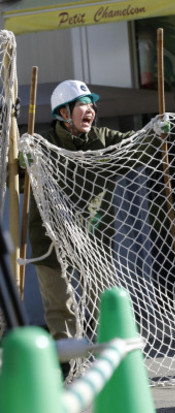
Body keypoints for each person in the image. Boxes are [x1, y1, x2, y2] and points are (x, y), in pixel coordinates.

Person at [28, 80, 135, 374]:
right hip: (49, 238)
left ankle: (109, 362)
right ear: (63, 112)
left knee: (104, 298)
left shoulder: (104, 138)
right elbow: (16, 168)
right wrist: (23, 160)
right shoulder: (41, 144)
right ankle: (65, 366)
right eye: (82, 104)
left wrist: (157, 132)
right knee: (60, 306)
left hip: (92, 239)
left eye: (92, 104)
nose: (90, 109)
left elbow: (136, 143)